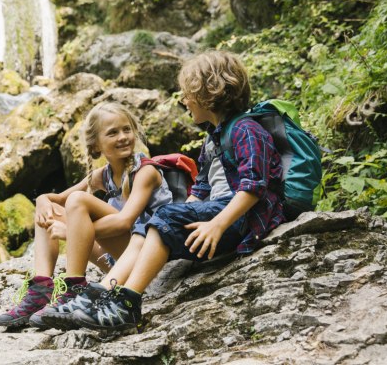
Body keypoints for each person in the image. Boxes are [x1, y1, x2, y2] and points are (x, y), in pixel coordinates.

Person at [70, 50, 285, 333]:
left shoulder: (246, 129)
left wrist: (217, 224)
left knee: (165, 217)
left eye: (187, 94)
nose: (184, 101)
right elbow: (203, 187)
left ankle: (127, 303)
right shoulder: (214, 138)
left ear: (210, 93)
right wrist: (188, 211)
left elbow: (254, 185)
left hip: (240, 219)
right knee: (152, 224)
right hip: (219, 216)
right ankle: (100, 293)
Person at [0, 101, 173, 329]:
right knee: (49, 211)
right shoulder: (103, 175)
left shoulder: (145, 172)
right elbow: (55, 201)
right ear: (96, 146)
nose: (123, 137)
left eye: (127, 129)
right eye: (113, 133)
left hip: (146, 256)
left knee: (78, 200)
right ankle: (40, 291)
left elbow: (124, 222)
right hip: (117, 260)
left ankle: (74, 288)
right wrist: (41, 201)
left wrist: (71, 232)